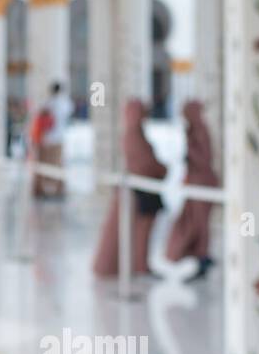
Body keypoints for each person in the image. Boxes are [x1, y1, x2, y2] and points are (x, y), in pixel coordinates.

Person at [92, 99, 166, 277]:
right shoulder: (132, 135)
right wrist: (161, 169)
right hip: (140, 192)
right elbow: (144, 164)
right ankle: (138, 265)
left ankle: (140, 264)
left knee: (142, 232)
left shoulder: (137, 133)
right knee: (139, 231)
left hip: (145, 190)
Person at [164, 99, 220, 281]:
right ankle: (191, 253)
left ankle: (201, 255)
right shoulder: (193, 129)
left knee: (200, 222)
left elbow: (204, 158)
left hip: (202, 183)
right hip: (196, 182)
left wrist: (190, 154)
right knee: (193, 220)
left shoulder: (200, 129)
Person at [34, 81, 72, 198]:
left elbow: (39, 117)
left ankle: (40, 188)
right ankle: (59, 188)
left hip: (46, 139)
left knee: (43, 164)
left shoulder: (48, 103)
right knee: (57, 163)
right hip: (59, 139)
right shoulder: (65, 103)